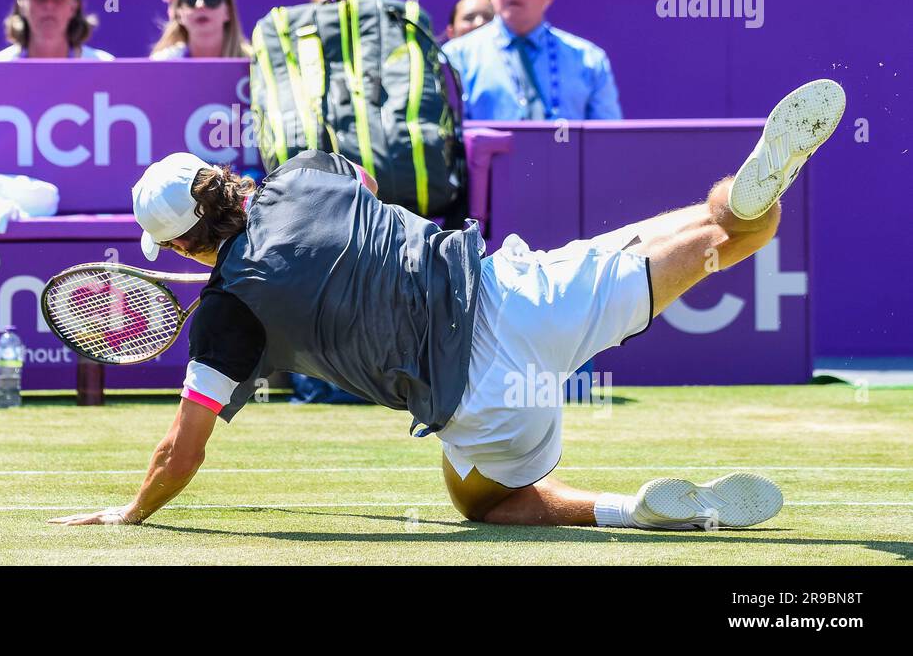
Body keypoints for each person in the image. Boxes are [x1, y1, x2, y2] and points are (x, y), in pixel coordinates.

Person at [49, 77, 847, 528]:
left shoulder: (228, 315)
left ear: (185, 245)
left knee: (483, 499)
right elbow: (346, 217)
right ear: (220, 180)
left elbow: (180, 452)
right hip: (523, 287)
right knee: (732, 233)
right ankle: (749, 187)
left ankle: (627, 509)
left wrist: (131, 511)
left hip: (489, 396)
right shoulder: (305, 172)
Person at [443, 0, 621, 120]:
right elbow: (445, 137)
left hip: (562, 149)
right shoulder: (456, 56)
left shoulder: (588, 59)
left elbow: (608, 141)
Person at [150, 0, 250, 59]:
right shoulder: (163, 62)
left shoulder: (254, 62)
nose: (200, 5)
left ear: (228, 12)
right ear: (178, 13)